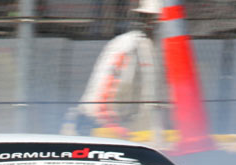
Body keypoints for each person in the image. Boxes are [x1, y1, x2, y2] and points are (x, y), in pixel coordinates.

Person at [61, 0, 163, 139]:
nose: (154, 24)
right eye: (152, 19)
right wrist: (112, 126)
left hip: (129, 132)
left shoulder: (154, 48)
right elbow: (102, 92)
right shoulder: (127, 45)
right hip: (97, 129)